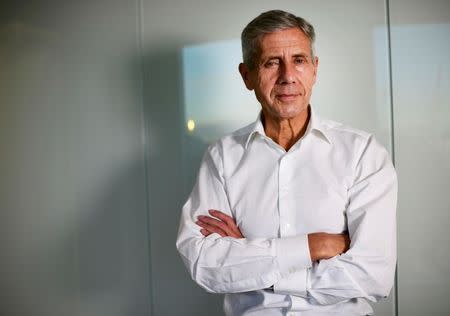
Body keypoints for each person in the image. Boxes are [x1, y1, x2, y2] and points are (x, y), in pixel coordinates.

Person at [176, 9, 397, 316]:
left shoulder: (363, 153)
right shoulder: (222, 157)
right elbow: (205, 265)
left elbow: (374, 274)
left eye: (299, 60)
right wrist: (314, 246)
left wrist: (254, 261)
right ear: (247, 76)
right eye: (271, 62)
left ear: (315, 69)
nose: (288, 76)